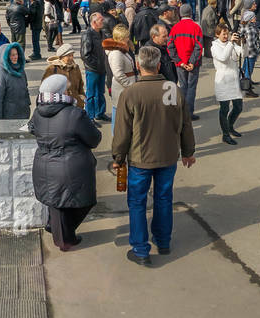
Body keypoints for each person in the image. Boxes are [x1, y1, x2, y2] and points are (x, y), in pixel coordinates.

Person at [108, 44, 195, 267]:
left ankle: (140, 249)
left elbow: (122, 132)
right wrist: (188, 152)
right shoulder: (172, 89)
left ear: (138, 65)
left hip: (140, 158)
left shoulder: (131, 93)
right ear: (158, 65)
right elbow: (185, 123)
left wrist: (118, 158)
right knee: (164, 198)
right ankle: (163, 241)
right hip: (167, 155)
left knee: (137, 202)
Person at [29, 73, 100, 250]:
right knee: (84, 201)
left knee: (56, 203)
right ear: (62, 91)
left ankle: (57, 230)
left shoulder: (38, 112)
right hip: (71, 167)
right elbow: (94, 139)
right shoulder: (75, 114)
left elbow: (32, 128)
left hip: (44, 166)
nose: (70, 90)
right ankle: (65, 240)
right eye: (67, 88)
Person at [211, 25, 248, 145]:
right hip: (223, 81)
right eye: (224, 34)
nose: (226, 36)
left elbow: (244, 54)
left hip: (234, 80)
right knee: (224, 109)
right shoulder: (214, 47)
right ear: (217, 35)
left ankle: (230, 126)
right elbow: (223, 57)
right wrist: (231, 43)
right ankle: (225, 135)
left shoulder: (231, 44)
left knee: (238, 107)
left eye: (227, 34)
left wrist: (244, 42)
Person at [0, 43, 31, 121]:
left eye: (16, 54)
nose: (15, 57)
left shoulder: (20, 70)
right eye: (12, 55)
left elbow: (25, 88)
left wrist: (27, 104)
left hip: (23, 115)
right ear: (5, 57)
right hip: (8, 118)